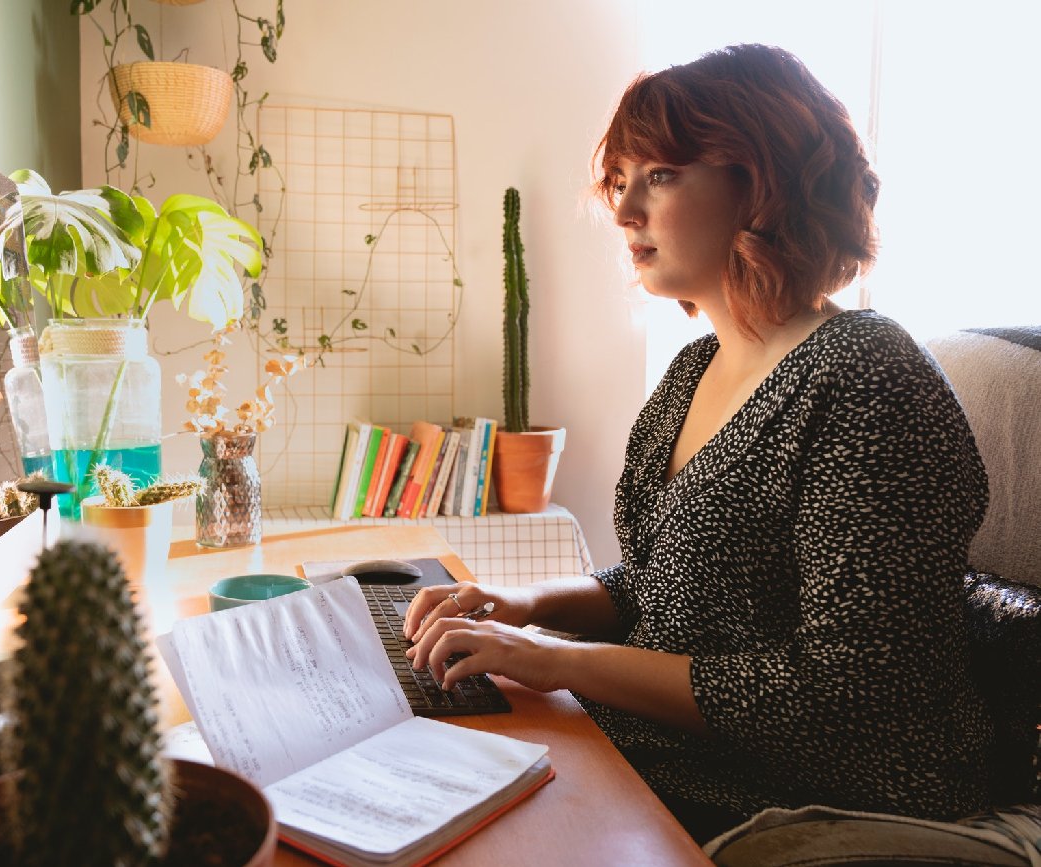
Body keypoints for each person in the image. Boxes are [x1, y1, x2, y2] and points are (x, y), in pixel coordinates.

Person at [404, 43, 992, 844]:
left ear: (763, 181)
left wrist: (556, 658)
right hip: (669, 760)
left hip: (794, 799)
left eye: (662, 175)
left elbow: (844, 695)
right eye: (621, 181)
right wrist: (523, 606)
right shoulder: (695, 367)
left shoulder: (865, 378)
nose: (623, 210)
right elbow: (663, 584)